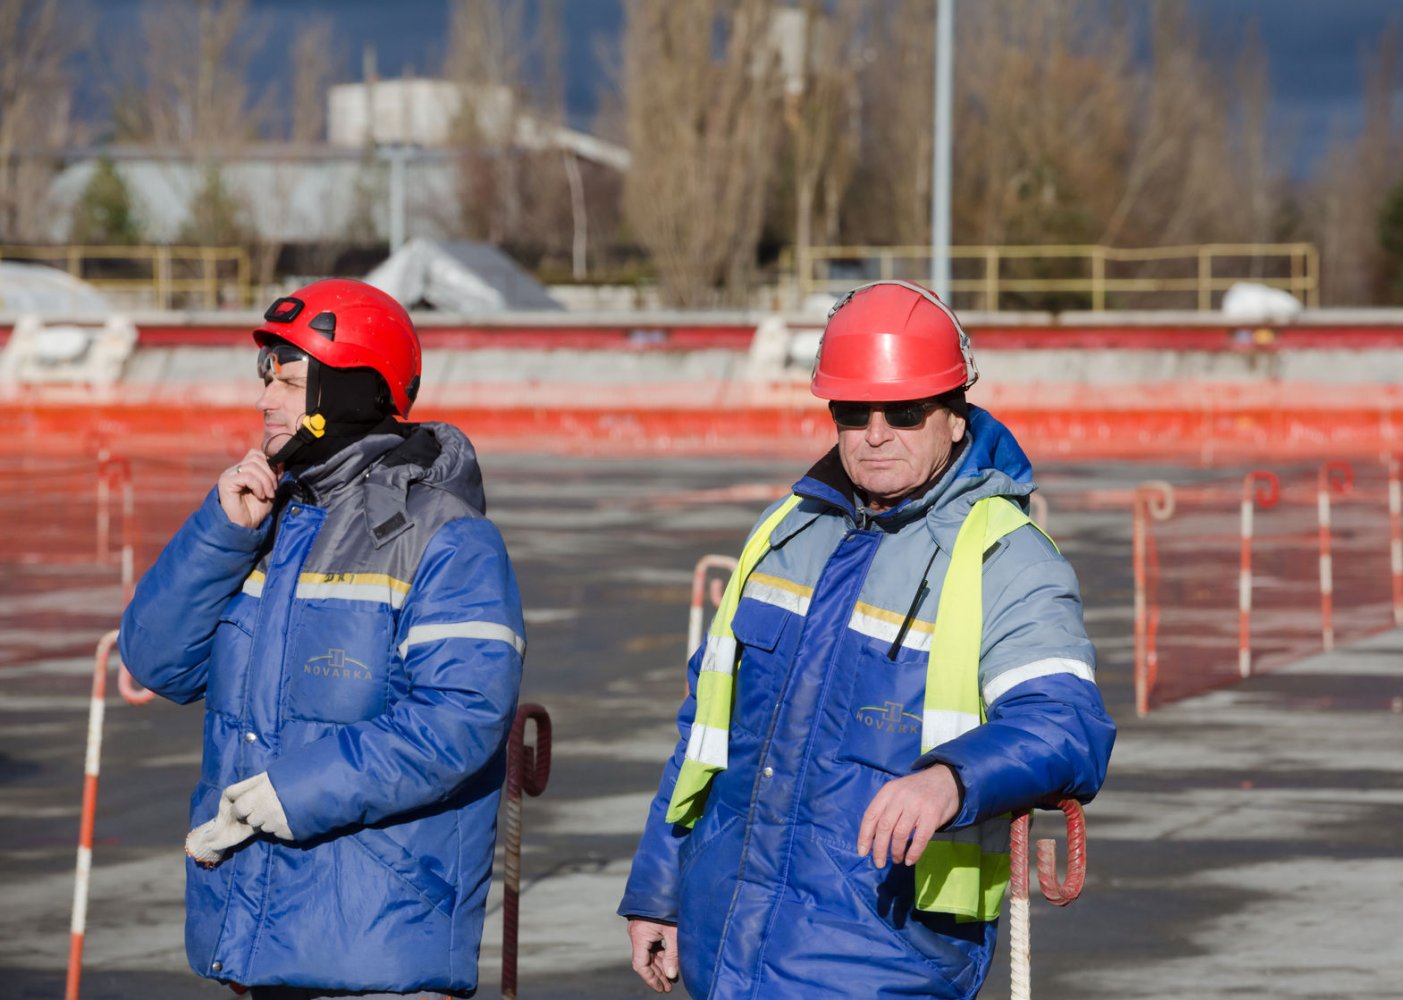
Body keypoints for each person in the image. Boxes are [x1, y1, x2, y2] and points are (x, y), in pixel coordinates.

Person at [619, 280, 1115, 999]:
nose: (876, 433)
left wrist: (951, 778)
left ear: (954, 416)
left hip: (882, 965)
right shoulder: (783, 532)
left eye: (905, 412)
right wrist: (657, 891)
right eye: (854, 412)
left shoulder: (1006, 557)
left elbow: (1067, 725)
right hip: (722, 950)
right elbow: (706, 733)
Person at [119, 278, 525, 999]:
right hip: (258, 941)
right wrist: (222, 532)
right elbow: (155, 660)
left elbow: (460, 720)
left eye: (287, 379)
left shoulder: (449, 537)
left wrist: (296, 791)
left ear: (348, 391)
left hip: (375, 955)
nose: (264, 400)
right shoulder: (267, 520)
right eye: (263, 378)